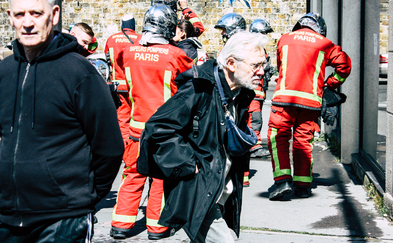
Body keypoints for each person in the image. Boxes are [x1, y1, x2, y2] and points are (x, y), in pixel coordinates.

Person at [0, 0, 123, 242]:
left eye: (36, 12)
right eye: (20, 14)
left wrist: (83, 197)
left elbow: (110, 147)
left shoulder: (80, 74)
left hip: (63, 220)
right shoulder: (4, 73)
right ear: (10, 17)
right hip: (7, 218)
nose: (28, 22)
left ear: (53, 15)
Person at [138, 31, 268, 242]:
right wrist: (190, 164)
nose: (262, 72)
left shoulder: (241, 94)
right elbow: (158, 127)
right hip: (199, 189)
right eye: (256, 65)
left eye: (264, 64)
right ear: (232, 64)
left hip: (221, 190)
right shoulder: (199, 89)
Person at [110, 4, 193, 240]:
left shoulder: (127, 53)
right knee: (160, 178)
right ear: (168, 26)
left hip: (136, 129)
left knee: (132, 175)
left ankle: (120, 225)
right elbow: (189, 89)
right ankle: (157, 228)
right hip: (164, 131)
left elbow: (124, 92)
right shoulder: (177, 55)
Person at [267, 13, 352, 200]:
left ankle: (282, 181)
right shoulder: (325, 44)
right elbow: (344, 65)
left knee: (278, 137)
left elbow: (283, 69)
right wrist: (330, 84)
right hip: (310, 103)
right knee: (303, 142)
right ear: (319, 28)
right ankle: (303, 185)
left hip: (284, 100)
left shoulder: (284, 39)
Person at [241, 19, 274, 187]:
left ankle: (244, 175)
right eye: (265, 33)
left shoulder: (260, 48)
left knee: (253, 122)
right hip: (253, 94)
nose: (267, 37)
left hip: (258, 94)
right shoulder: (252, 48)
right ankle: (254, 145)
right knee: (254, 121)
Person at [104, 14, 141, 142]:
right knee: (136, 117)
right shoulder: (140, 38)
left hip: (118, 85)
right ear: (133, 25)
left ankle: (124, 144)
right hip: (134, 84)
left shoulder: (111, 39)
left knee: (122, 117)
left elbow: (107, 59)